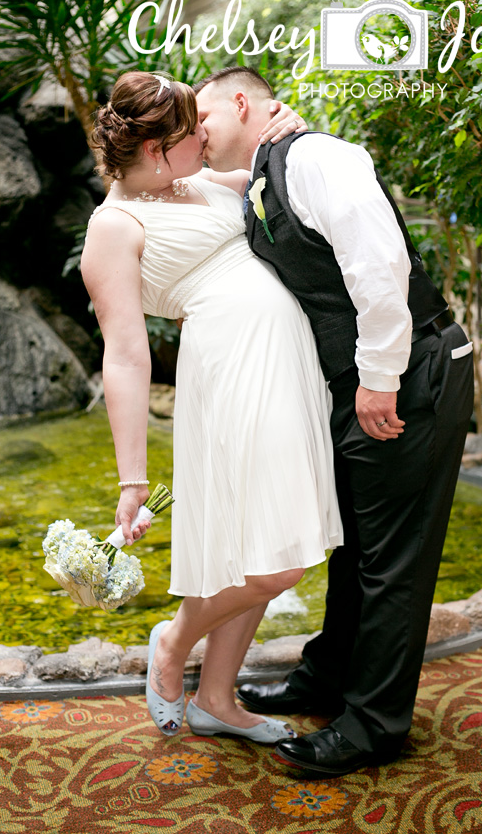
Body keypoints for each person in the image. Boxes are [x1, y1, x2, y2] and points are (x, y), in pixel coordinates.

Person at [195, 66, 474, 776]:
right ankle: (326, 679)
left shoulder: (318, 157)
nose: (197, 134)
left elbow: (378, 268)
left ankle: (374, 725)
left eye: (202, 118)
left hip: (408, 372)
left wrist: (380, 380)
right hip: (363, 382)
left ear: (240, 100)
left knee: (392, 563)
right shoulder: (267, 171)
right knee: (355, 546)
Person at [80, 71, 343, 744]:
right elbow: (127, 357)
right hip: (231, 376)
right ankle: (173, 642)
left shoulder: (196, 183)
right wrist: (132, 479)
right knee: (276, 562)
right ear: (156, 150)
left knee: (256, 542)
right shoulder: (114, 226)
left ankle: (218, 698)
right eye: (191, 131)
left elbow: (276, 174)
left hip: (285, 367)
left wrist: (289, 130)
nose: (205, 136)